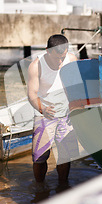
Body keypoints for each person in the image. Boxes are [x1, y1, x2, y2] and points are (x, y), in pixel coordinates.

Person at [27, 34, 79, 185]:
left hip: (66, 113)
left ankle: (63, 185)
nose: (60, 61)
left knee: (65, 154)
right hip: (45, 113)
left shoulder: (71, 59)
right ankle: (40, 187)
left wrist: (76, 105)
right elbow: (31, 93)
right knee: (40, 155)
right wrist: (42, 109)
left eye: (62, 57)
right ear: (47, 51)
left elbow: (76, 85)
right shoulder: (36, 66)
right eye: (57, 58)